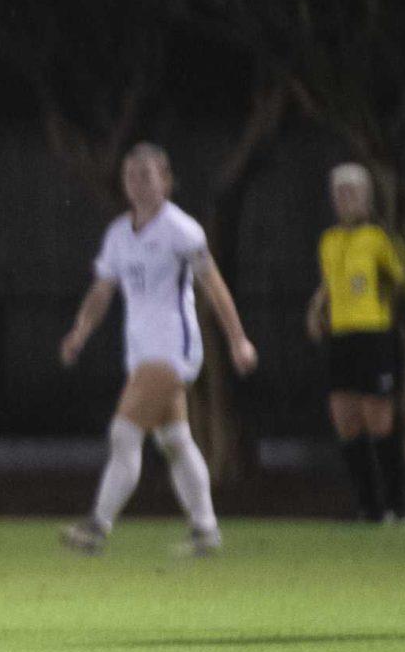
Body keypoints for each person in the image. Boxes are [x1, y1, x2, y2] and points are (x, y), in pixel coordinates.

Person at [57, 143, 258, 557]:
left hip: (173, 349)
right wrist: (80, 331)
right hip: (141, 352)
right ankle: (206, 531)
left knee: (124, 433)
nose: (137, 182)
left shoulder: (180, 229)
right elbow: (102, 290)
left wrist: (238, 338)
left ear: (166, 180)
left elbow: (213, 284)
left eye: (146, 175)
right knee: (175, 441)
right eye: (130, 175)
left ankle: (97, 525)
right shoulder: (118, 234)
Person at [305, 163, 405, 524]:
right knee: (344, 419)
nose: (344, 199)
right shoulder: (329, 240)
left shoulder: (381, 238)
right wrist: (316, 308)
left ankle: (397, 506)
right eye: (339, 193)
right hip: (341, 338)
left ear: (366, 197)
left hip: (375, 335)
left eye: (351, 192)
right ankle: (368, 508)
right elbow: (331, 282)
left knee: (379, 420)